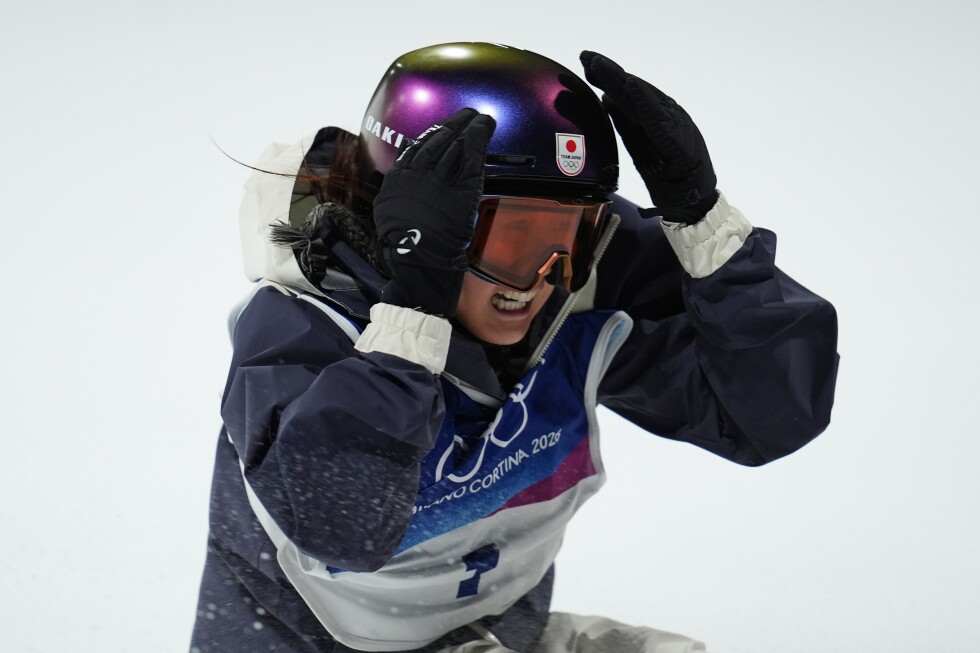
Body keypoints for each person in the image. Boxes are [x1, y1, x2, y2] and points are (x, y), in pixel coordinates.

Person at [190, 42, 839, 653]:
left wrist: (703, 223)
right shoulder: (302, 323)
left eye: (570, 236)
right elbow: (339, 522)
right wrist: (414, 310)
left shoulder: (579, 287)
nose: (539, 280)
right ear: (419, 223)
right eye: (512, 240)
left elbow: (769, 415)